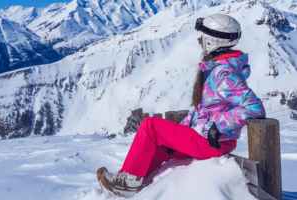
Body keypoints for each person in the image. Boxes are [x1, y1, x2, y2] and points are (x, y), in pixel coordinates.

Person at [97, 14, 266, 198]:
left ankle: (127, 183)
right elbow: (204, 111)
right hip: (205, 137)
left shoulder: (224, 74)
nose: (200, 41)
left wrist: (218, 126)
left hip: (210, 142)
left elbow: (254, 108)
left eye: (202, 38)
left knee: (150, 126)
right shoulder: (217, 69)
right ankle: (134, 182)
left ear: (212, 42)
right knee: (158, 147)